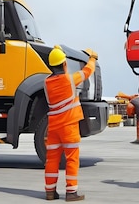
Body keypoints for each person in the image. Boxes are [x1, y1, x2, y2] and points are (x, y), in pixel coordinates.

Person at [43, 45, 98, 201]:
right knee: (72, 158)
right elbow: (88, 71)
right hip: (69, 126)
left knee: (52, 159)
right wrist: (92, 58)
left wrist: (57, 52)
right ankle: (71, 192)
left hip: (53, 127)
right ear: (65, 64)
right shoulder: (71, 79)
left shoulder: (46, 83)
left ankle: (50, 192)